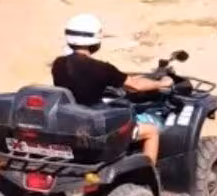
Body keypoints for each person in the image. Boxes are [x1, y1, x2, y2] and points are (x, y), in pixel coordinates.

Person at [49, 13, 171, 164]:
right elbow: (136, 85)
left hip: (70, 122)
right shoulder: (102, 69)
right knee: (152, 131)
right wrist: (162, 83)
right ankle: (147, 172)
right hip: (96, 128)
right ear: (94, 40)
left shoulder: (58, 64)